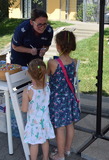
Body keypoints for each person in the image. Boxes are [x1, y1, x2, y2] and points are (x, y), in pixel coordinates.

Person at [47, 30, 80, 160]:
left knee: (60, 128)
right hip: (70, 98)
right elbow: (73, 76)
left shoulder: (52, 63)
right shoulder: (74, 62)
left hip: (57, 101)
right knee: (70, 125)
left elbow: (47, 75)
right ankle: (66, 150)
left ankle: (60, 156)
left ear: (58, 46)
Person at [21, 58, 55, 160]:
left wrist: (19, 106)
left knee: (34, 144)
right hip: (45, 121)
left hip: (33, 124)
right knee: (45, 141)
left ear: (29, 73)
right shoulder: (48, 87)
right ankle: (45, 158)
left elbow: (24, 109)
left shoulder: (27, 91)